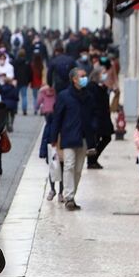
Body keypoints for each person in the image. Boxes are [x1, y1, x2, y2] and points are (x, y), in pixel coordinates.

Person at [50, 68, 96, 211]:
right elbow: (57, 117)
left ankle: (72, 195)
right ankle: (69, 197)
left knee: (78, 169)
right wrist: (53, 137)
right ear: (74, 79)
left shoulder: (89, 96)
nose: (85, 78)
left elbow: (93, 116)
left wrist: (93, 134)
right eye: (82, 76)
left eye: (85, 76)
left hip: (83, 137)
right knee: (69, 165)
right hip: (69, 136)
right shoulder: (64, 96)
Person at [86, 68, 114, 170]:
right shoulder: (91, 87)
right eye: (103, 73)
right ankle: (91, 161)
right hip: (96, 118)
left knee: (106, 138)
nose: (105, 75)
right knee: (95, 140)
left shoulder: (100, 86)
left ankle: (93, 159)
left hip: (103, 118)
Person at [14, 49, 32, 115]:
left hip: (17, 80)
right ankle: (24, 110)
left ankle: (15, 110)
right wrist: (29, 80)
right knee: (24, 96)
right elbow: (30, 72)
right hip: (25, 81)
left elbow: (14, 71)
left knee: (15, 96)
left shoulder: (15, 62)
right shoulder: (27, 62)